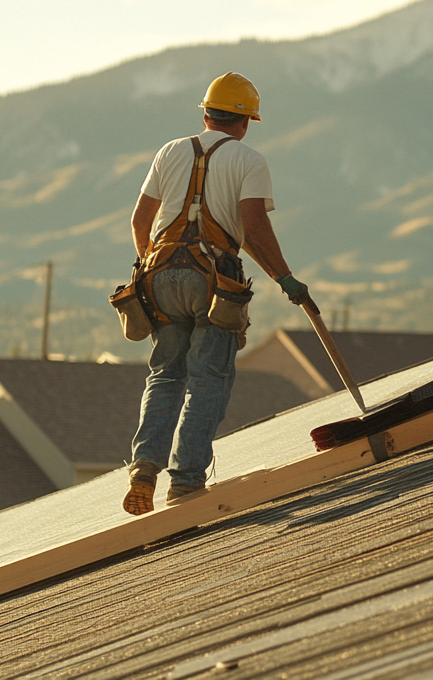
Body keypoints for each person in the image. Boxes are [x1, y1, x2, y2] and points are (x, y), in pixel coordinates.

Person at [122, 72, 309, 514]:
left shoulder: (170, 151)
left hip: (160, 273)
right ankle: (185, 482)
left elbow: (139, 222)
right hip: (214, 281)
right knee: (208, 378)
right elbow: (253, 229)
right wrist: (284, 278)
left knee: (166, 374)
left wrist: (153, 266)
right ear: (245, 123)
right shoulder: (249, 160)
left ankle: (144, 467)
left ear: (205, 114)